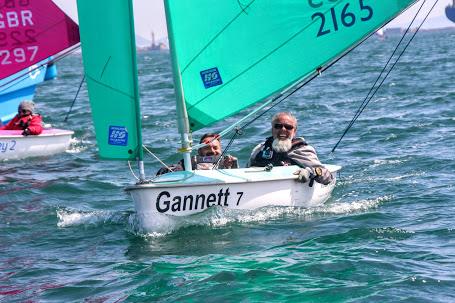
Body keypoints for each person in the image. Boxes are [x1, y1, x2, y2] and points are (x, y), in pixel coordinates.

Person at [247, 112, 333, 185]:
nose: (283, 129)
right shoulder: (260, 149)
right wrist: (234, 166)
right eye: (278, 126)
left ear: (294, 131)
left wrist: (309, 172)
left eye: (288, 127)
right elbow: (245, 173)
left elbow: (327, 177)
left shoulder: (302, 150)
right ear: (272, 129)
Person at [156, 133, 238, 175]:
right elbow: (162, 172)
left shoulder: (228, 162)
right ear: (199, 151)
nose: (212, 151)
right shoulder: (189, 163)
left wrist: (233, 166)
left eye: (215, 148)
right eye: (207, 148)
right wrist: (184, 169)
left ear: (221, 149)